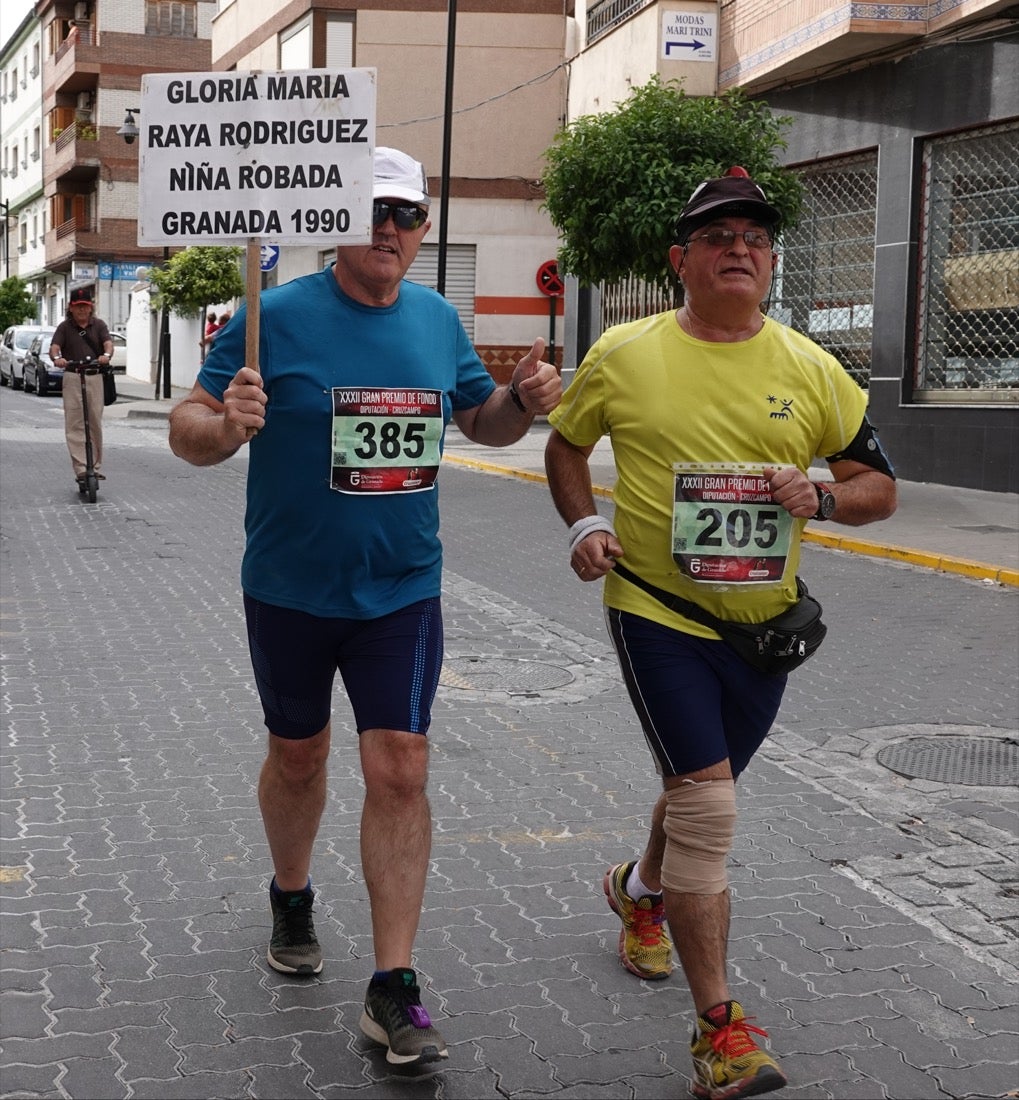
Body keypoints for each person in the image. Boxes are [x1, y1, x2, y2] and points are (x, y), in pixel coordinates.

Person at [168, 147, 561, 1070]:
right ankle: (292, 896)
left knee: (400, 767)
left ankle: (393, 987)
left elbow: (481, 422)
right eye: (372, 209)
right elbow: (191, 426)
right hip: (290, 590)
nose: (390, 228)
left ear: (424, 229)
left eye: (408, 214)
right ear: (336, 219)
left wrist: (522, 399)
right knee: (298, 756)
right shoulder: (277, 316)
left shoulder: (434, 318)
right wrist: (226, 425)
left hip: (401, 591)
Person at [544, 167, 897, 1100]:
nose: (738, 247)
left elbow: (879, 489)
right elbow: (565, 444)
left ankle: (638, 890)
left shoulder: (811, 367)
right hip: (657, 611)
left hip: (763, 630)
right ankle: (720, 1032)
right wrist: (584, 525)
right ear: (680, 260)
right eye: (716, 235)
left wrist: (820, 493)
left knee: (703, 784)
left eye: (754, 237)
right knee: (708, 808)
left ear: (771, 262)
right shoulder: (623, 353)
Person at [51, 287, 114, 487]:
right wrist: (58, 359)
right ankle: (80, 468)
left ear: (90, 307)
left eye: (84, 307)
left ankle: (94, 468)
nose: (81, 310)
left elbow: (108, 343)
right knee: (75, 423)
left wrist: (107, 356)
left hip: (94, 376)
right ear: (71, 308)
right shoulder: (64, 327)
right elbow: (54, 348)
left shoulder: (99, 325)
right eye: (77, 307)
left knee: (94, 421)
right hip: (73, 376)